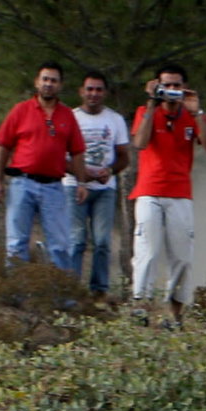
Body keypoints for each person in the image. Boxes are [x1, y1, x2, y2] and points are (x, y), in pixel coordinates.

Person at [129, 62, 206, 324]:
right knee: (147, 250)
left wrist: (198, 111)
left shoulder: (193, 115)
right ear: (158, 86)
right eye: (166, 85)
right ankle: (140, 307)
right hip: (149, 191)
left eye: (176, 85)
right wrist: (151, 103)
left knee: (182, 255)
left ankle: (174, 313)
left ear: (185, 87)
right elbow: (140, 143)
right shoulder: (146, 111)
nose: (171, 90)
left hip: (180, 193)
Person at [0, 62, 87, 269]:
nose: (48, 84)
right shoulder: (21, 110)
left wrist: (82, 183)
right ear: (37, 82)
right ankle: (17, 295)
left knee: (59, 244)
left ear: (60, 85)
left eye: (53, 80)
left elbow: (77, 151)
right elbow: (3, 146)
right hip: (22, 183)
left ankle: (61, 297)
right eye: (45, 79)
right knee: (16, 243)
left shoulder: (67, 115)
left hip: (54, 187)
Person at [65, 71, 130, 295]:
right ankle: (71, 289)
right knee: (76, 240)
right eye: (89, 89)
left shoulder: (115, 120)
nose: (94, 94)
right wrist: (84, 174)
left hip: (104, 189)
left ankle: (99, 290)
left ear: (105, 93)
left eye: (98, 89)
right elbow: (61, 158)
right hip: (74, 185)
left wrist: (109, 171)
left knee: (102, 241)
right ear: (81, 91)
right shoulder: (70, 117)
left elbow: (124, 156)